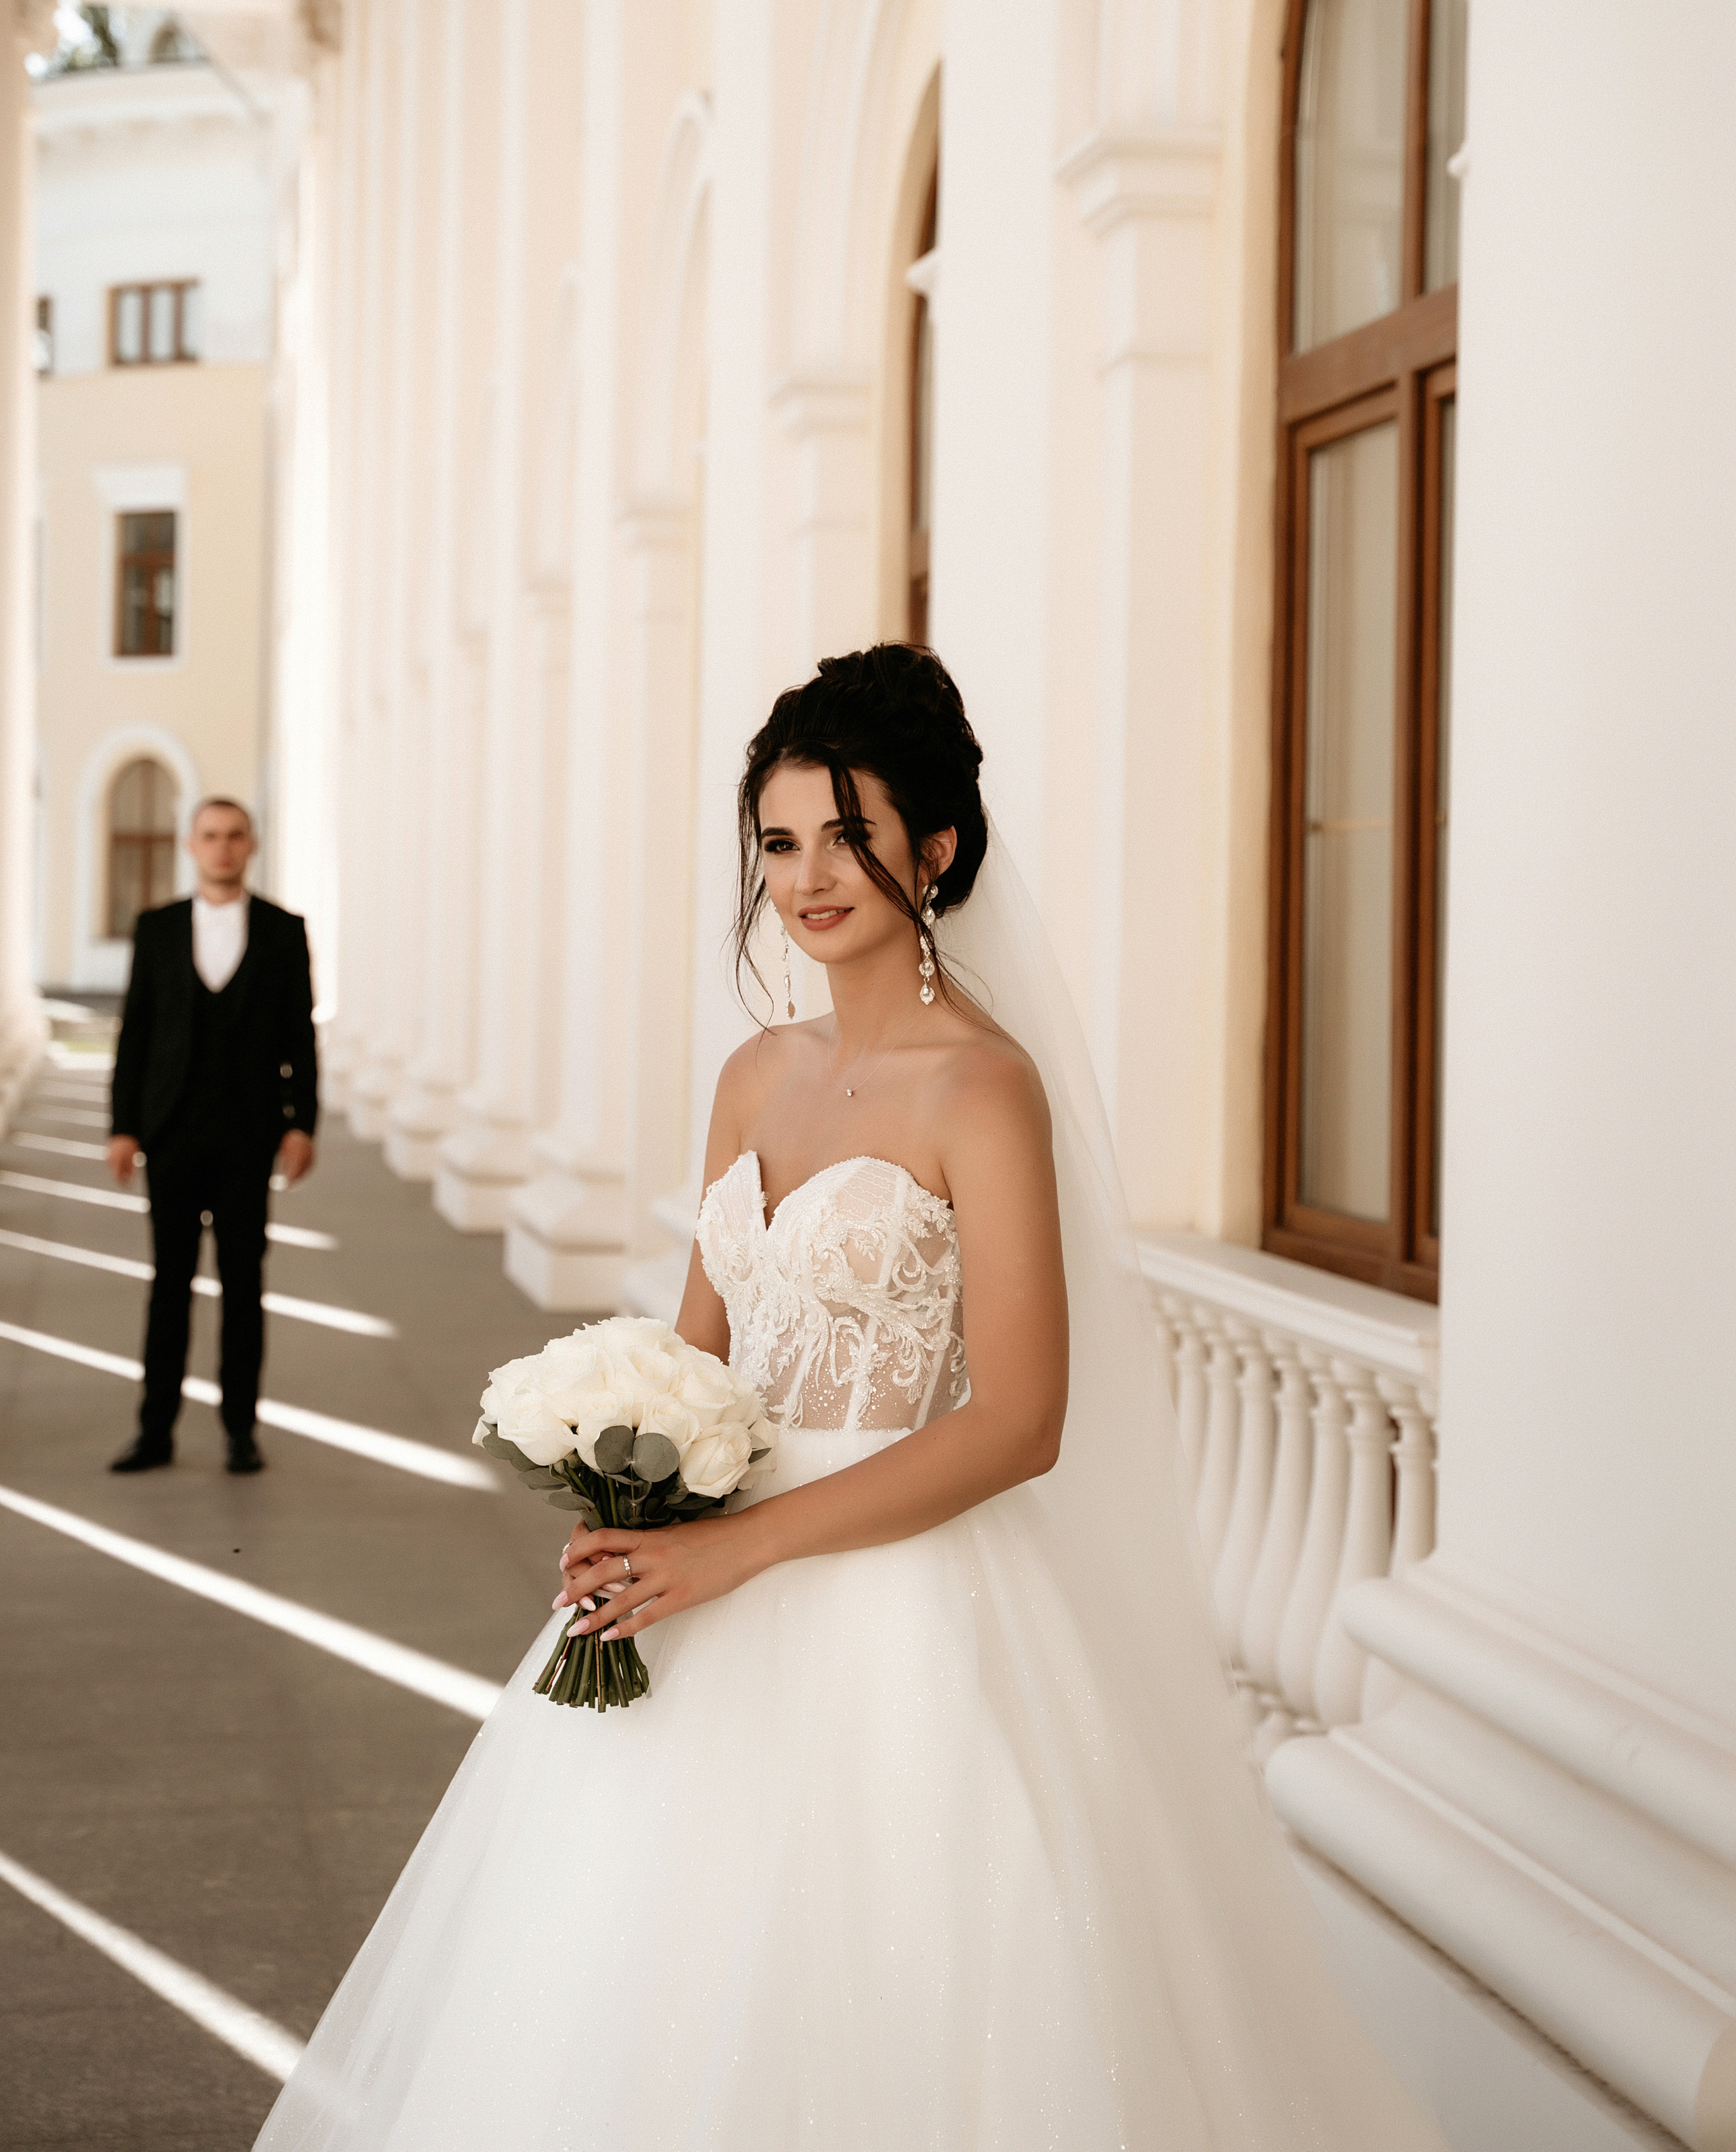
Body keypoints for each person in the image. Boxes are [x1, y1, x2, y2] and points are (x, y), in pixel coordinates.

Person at [254, 647, 1444, 2151]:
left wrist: (736, 1547)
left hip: (902, 1601)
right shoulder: (754, 1072)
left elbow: (1019, 1421)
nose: (807, 877)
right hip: (705, 1581)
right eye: (777, 840)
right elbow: (702, 1353)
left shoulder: (981, 1088)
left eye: (846, 834)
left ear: (932, 850)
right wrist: (626, 1497)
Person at [107, 795, 319, 1477]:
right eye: (210, 837)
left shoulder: (284, 931)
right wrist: (123, 1127)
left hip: (247, 1138)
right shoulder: (157, 927)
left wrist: (302, 1123)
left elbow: (299, 1036)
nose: (222, 847)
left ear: (251, 845)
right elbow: (135, 1033)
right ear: (190, 845)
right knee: (167, 1286)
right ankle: (154, 1432)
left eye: (234, 836)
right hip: (170, 1135)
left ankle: (239, 1432)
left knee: (241, 1286)